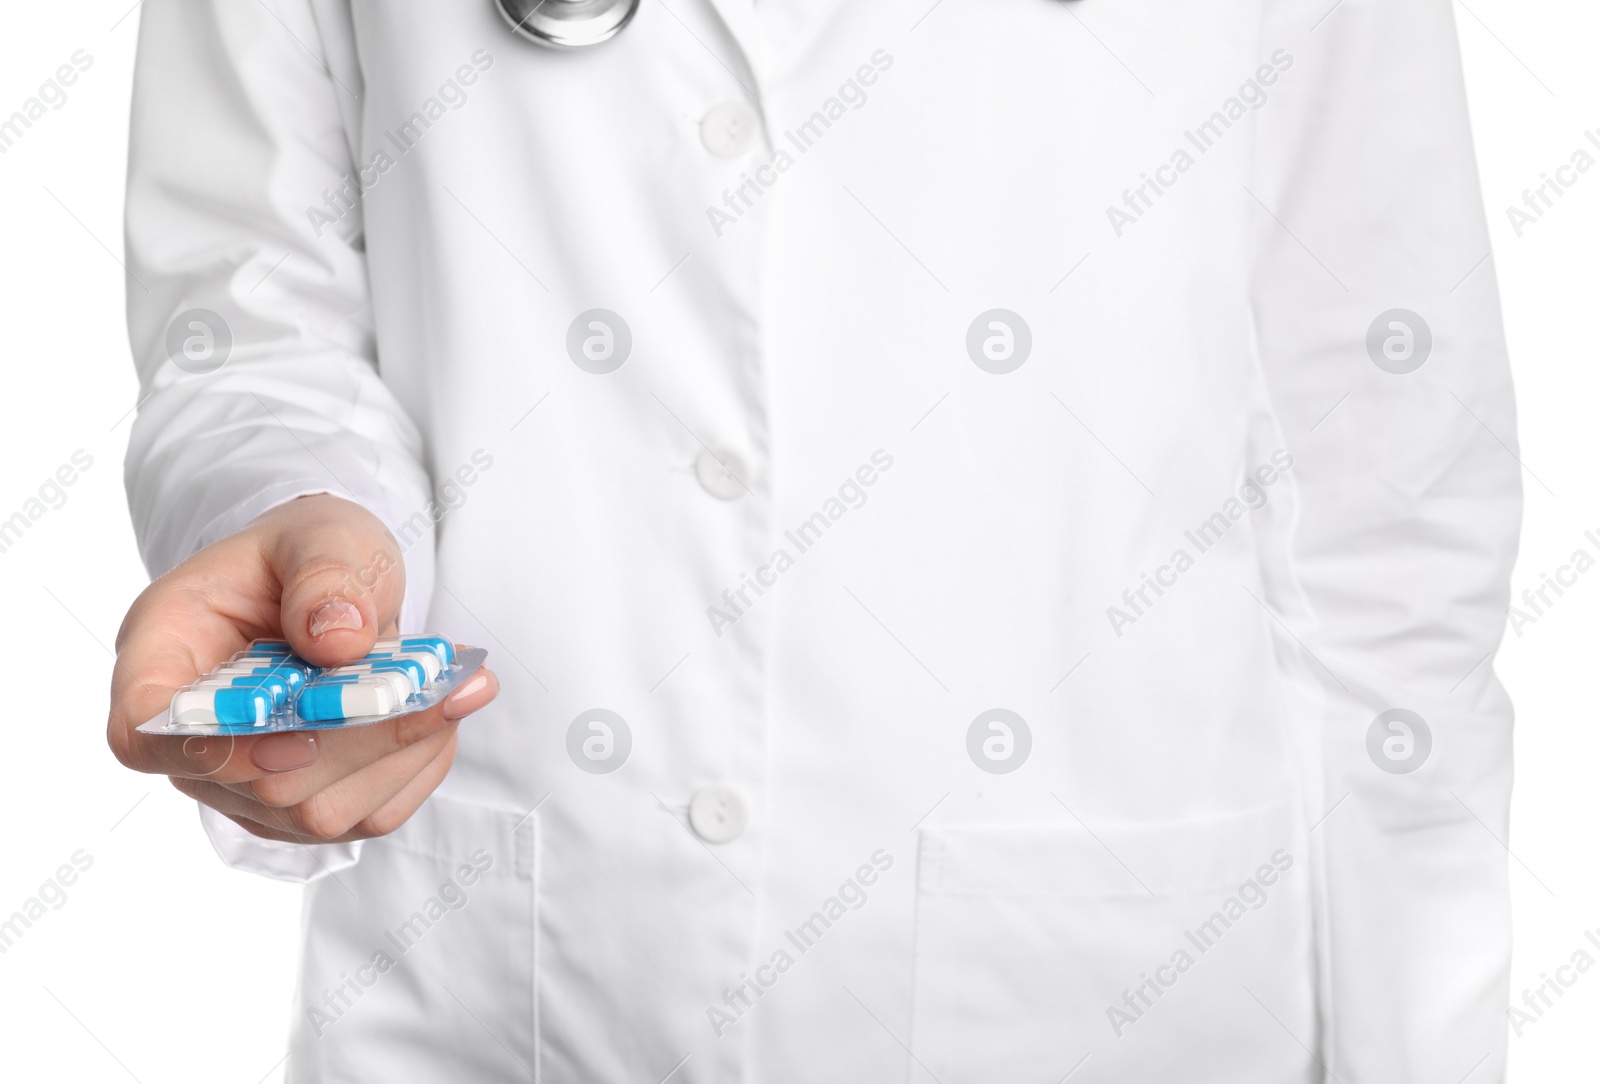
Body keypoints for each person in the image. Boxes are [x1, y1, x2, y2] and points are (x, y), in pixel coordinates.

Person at [108, 1, 1522, 1081]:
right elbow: (253, 302)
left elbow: (1387, 479)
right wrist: (296, 514)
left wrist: (1427, 1042)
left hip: (1115, 993)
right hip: (521, 997)